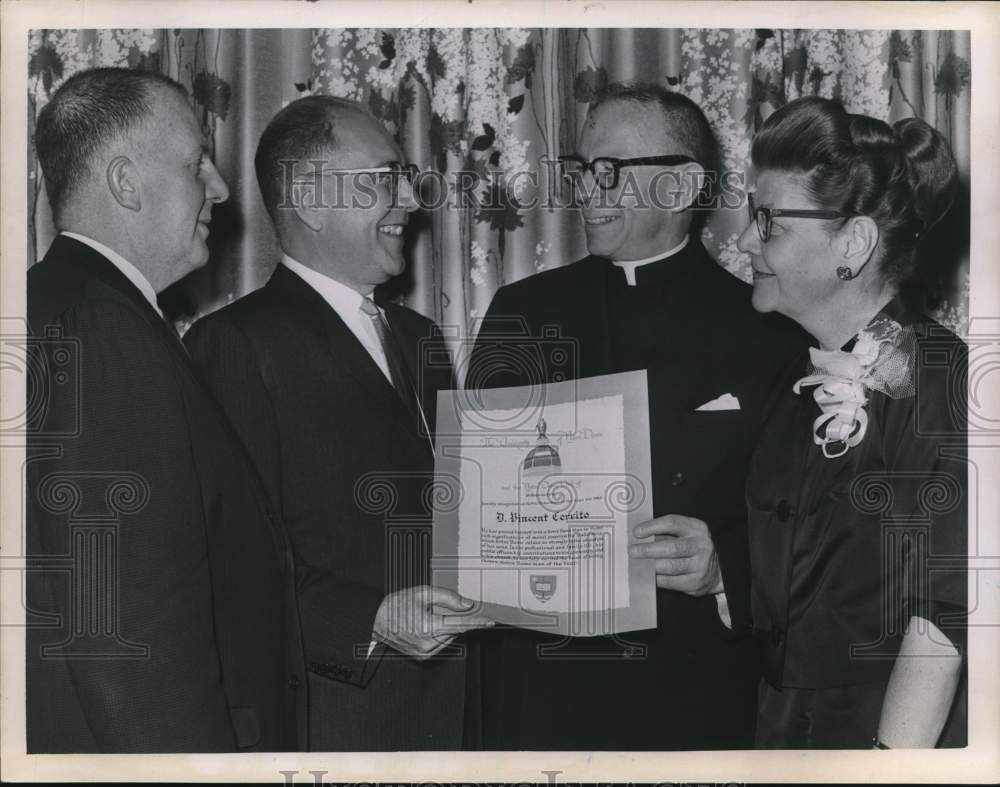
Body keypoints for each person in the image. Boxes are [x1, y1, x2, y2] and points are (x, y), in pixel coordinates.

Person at [467, 82, 806, 750]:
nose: (586, 192)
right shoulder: (523, 312)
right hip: (543, 694)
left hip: (694, 696)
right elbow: (479, 505)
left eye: (609, 172)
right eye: (581, 170)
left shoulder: (770, 331)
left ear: (681, 190)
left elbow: (806, 528)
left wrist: (722, 568)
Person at [185, 95, 493, 751]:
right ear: (309, 198)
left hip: (457, 720)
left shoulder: (419, 336)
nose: (410, 200)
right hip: (338, 724)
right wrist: (374, 617)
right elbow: (231, 563)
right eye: (385, 178)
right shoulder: (234, 345)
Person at [26, 68, 305, 752]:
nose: (221, 186)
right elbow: (129, 636)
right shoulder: (105, 331)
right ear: (125, 182)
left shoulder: (51, 304)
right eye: (195, 162)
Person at [735, 96, 967, 749]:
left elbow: (943, 619)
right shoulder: (793, 379)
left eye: (768, 221)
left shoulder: (950, 384)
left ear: (854, 244)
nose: (745, 239)